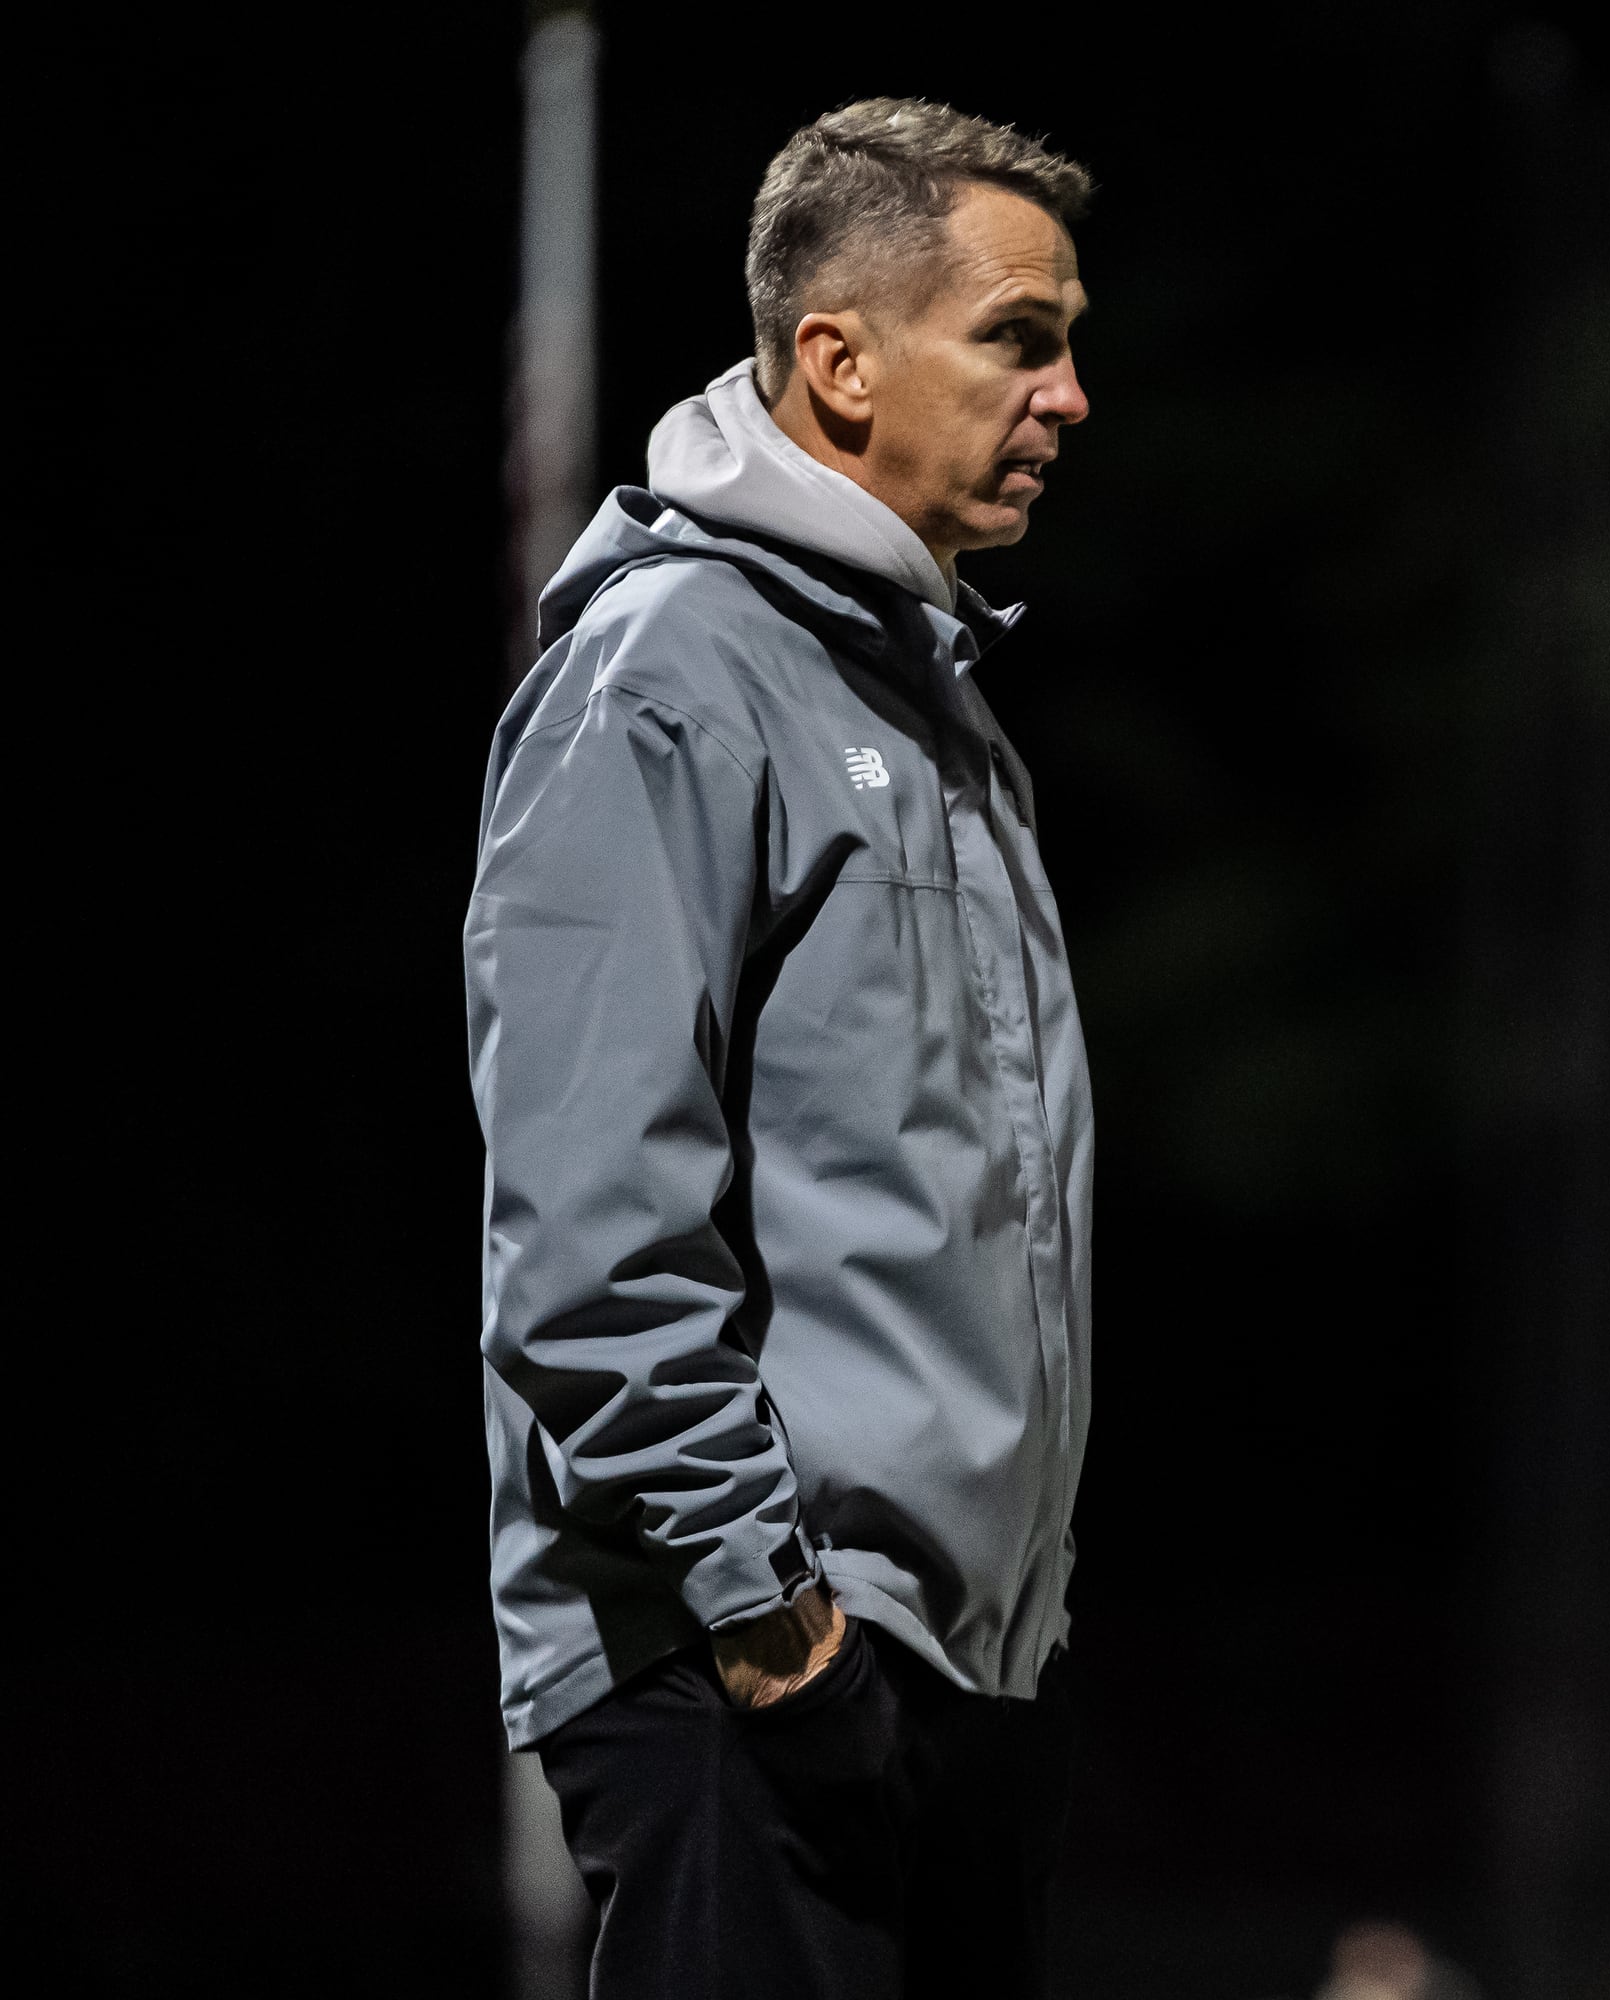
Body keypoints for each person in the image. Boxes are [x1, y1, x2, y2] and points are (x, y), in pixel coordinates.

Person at [465, 99, 1097, 1997]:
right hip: (749, 1659)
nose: (1069, 396)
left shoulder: (926, 688)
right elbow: (584, 1221)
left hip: (936, 1657)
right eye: (1021, 338)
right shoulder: (670, 666)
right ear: (836, 363)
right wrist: (767, 1612)